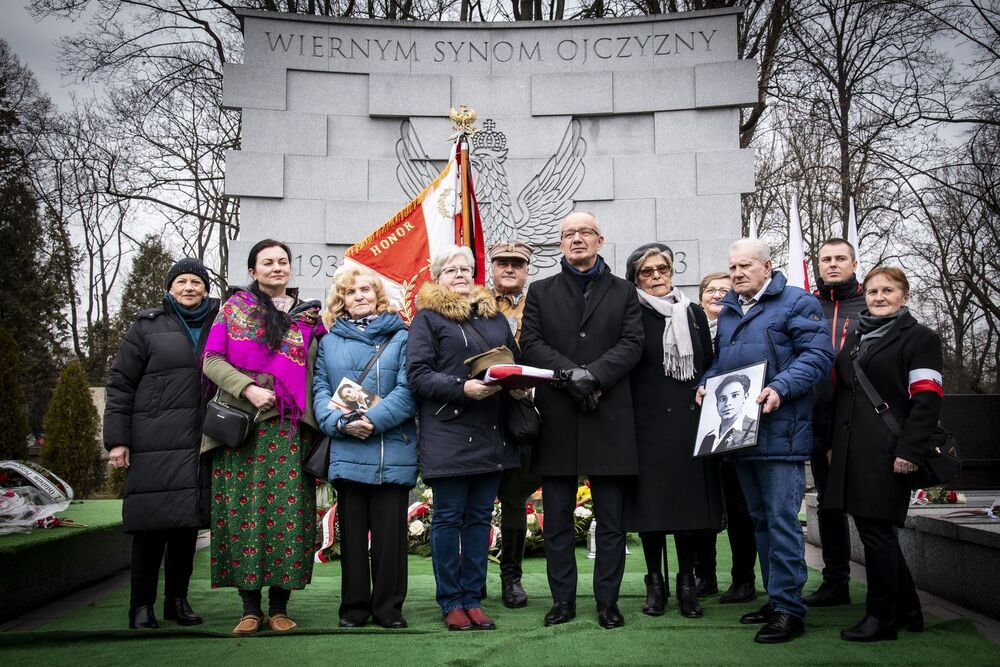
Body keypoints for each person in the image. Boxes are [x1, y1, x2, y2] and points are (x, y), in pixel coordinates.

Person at [697, 239, 834, 644]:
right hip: (740, 436)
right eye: (732, 267)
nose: (737, 273)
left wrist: (780, 387)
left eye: (745, 266)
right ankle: (777, 599)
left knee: (781, 520)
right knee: (760, 520)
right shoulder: (730, 312)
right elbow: (723, 363)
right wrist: (707, 384)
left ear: (766, 266)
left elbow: (817, 356)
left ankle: (790, 608)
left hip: (781, 431)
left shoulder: (796, 302)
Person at [520, 211, 643, 629]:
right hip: (558, 414)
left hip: (609, 414)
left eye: (584, 232)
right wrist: (570, 377)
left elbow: (632, 343)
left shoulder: (625, 291)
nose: (576, 239)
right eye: (569, 233)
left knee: (610, 519)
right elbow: (531, 343)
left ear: (599, 240)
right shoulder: (539, 291)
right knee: (556, 518)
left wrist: (593, 377)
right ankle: (563, 602)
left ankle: (608, 603)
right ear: (560, 244)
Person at [202, 239, 326, 636]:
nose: (277, 267)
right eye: (267, 262)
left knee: (288, 518)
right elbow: (211, 361)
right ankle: (249, 608)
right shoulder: (233, 309)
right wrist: (247, 389)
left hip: (290, 431)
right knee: (243, 515)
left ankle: (279, 607)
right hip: (243, 431)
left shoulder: (309, 319)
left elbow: (320, 369)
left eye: (283, 261)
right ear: (253, 270)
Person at [406, 245, 520, 631]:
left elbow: (514, 363)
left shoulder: (495, 319)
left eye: (466, 269)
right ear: (437, 277)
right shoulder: (428, 319)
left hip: (491, 431)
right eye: (451, 270)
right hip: (448, 431)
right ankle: (451, 601)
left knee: (480, 518)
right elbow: (418, 375)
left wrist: (519, 383)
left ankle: (473, 598)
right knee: (449, 519)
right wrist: (462, 386)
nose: (460, 275)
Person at [825, 267, 941, 641]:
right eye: (872, 291)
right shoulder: (859, 336)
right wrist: (833, 446)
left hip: (889, 451)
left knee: (876, 533)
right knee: (875, 531)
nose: (878, 297)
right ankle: (909, 610)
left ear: (904, 296)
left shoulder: (921, 338)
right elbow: (844, 392)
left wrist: (910, 450)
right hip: (852, 450)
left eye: (887, 290)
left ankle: (881, 619)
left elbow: (926, 401)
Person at [105, 258, 220, 630]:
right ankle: (141, 606)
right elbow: (121, 384)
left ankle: (177, 601)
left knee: (187, 526)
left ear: (206, 287)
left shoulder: (220, 323)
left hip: (200, 439)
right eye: (181, 281)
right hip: (154, 437)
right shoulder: (146, 327)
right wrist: (118, 440)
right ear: (170, 288)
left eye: (196, 282)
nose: (189, 288)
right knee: (150, 526)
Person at [313, 266, 417, 629]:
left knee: (390, 541)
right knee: (353, 538)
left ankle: (389, 609)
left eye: (365, 290)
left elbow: (409, 390)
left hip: (393, 449)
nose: (358, 296)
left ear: (378, 296)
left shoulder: (403, 337)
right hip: (347, 449)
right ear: (341, 300)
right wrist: (341, 424)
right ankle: (354, 609)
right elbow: (321, 391)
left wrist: (374, 421)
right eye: (350, 292)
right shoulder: (327, 342)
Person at [621, 243, 721, 619]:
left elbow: (708, 363)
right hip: (644, 424)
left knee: (686, 509)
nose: (657, 276)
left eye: (662, 268)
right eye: (647, 272)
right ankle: (654, 584)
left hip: (687, 421)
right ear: (636, 278)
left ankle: (685, 583)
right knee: (652, 509)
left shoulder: (693, 313)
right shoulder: (627, 312)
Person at [803, 237, 866, 608]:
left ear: (853, 263)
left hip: (860, 421)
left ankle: (893, 590)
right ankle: (835, 581)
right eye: (825, 259)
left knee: (870, 509)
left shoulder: (869, 304)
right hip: (819, 420)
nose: (832, 265)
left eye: (840, 258)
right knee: (828, 504)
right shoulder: (809, 305)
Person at [693, 273, 760, 604]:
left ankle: (743, 578)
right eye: (710, 290)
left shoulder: (740, 327)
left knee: (739, 508)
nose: (717, 295)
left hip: (736, 429)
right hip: (701, 430)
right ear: (701, 296)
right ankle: (703, 575)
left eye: (724, 290)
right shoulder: (690, 328)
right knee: (702, 505)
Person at [488, 241, 541, 609]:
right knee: (472, 504)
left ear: (526, 270)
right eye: (502, 263)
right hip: (482, 411)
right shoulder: (475, 304)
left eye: (516, 264)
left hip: (525, 413)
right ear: (491, 267)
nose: (509, 269)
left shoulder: (538, 305)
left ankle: (512, 579)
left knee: (513, 500)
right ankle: (471, 579)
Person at [696, 374, 759, 456]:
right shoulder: (709, 437)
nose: (727, 404)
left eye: (734, 395)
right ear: (717, 403)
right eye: (722, 399)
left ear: (745, 397)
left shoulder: (753, 427)